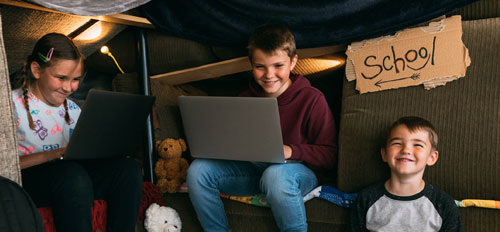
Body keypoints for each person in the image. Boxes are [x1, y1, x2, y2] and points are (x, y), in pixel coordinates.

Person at [186, 24, 337, 232]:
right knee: (198, 171)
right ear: (251, 65)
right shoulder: (244, 100)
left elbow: (330, 155)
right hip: (254, 172)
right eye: (260, 67)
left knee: (275, 174)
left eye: (278, 66)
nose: (269, 74)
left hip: (296, 175)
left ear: (293, 62)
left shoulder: (312, 98)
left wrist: (291, 150)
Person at [12, 33, 142, 232]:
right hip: (29, 180)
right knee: (72, 174)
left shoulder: (74, 109)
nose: (69, 87)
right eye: (61, 78)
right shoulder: (11, 105)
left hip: (73, 176)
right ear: (37, 70)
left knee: (128, 169)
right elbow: (6, 167)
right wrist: (52, 155)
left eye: (76, 80)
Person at [349, 116, 462, 232]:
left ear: (432, 157)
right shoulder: (367, 198)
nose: (406, 150)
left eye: (418, 145)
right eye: (397, 143)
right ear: (384, 154)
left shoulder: (443, 204)